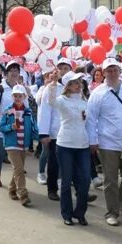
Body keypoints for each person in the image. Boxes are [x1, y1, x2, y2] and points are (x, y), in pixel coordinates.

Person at [86, 58, 122, 226]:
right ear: (103, 73)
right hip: (107, 142)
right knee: (110, 178)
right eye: (108, 71)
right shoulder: (98, 93)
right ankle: (112, 211)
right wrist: (93, 141)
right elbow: (91, 120)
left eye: (114, 70)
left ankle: (117, 198)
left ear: (119, 71)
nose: (112, 73)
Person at [47, 71, 91, 225]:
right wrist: (52, 84)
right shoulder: (62, 100)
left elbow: (90, 122)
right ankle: (66, 213)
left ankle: (80, 213)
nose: (78, 85)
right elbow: (50, 101)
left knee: (85, 179)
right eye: (74, 82)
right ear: (67, 85)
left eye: (79, 82)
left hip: (83, 145)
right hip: (65, 144)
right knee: (66, 181)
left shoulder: (85, 100)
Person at [37, 58, 73, 201]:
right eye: (61, 68)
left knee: (71, 161)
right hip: (54, 132)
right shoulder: (51, 88)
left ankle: (74, 189)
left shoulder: (76, 88)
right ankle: (52, 189)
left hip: (71, 132)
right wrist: (44, 133)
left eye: (66, 68)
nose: (63, 71)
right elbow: (45, 111)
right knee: (54, 162)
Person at [0, 85, 38, 206]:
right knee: (20, 169)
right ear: (12, 96)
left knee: (17, 169)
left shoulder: (28, 112)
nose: (17, 98)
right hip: (12, 144)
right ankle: (23, 194)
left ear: (24, 97)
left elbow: (33, 127)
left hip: (24, 144)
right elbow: (1, 127)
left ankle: (12, 189)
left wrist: (39, 137)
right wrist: (11, 127)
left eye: (20, 95)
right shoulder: (8, 110)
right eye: (15, 95)